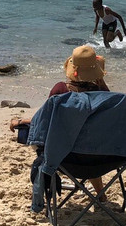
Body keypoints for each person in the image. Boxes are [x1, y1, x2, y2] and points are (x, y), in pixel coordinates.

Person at [9, 46, 111, 197]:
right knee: (89, 139)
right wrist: (101, 83)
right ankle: (100, 194)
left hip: (64, 159)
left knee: (42, 137)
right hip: (102, 159)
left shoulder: (60, 91)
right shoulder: (107, 98)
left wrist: (21, 121)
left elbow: (45, 120)